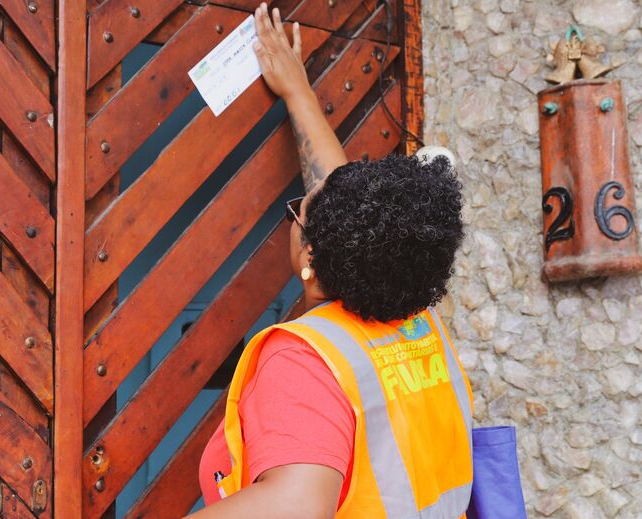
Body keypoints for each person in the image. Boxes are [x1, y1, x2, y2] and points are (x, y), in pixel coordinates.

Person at [188, 4, 471, 518]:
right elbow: (349, 209)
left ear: (312, 259)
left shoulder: (307, 360)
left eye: (300, 214)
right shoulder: (412, 317)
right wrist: (297, 92)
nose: (302, 210)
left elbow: (295, 504)